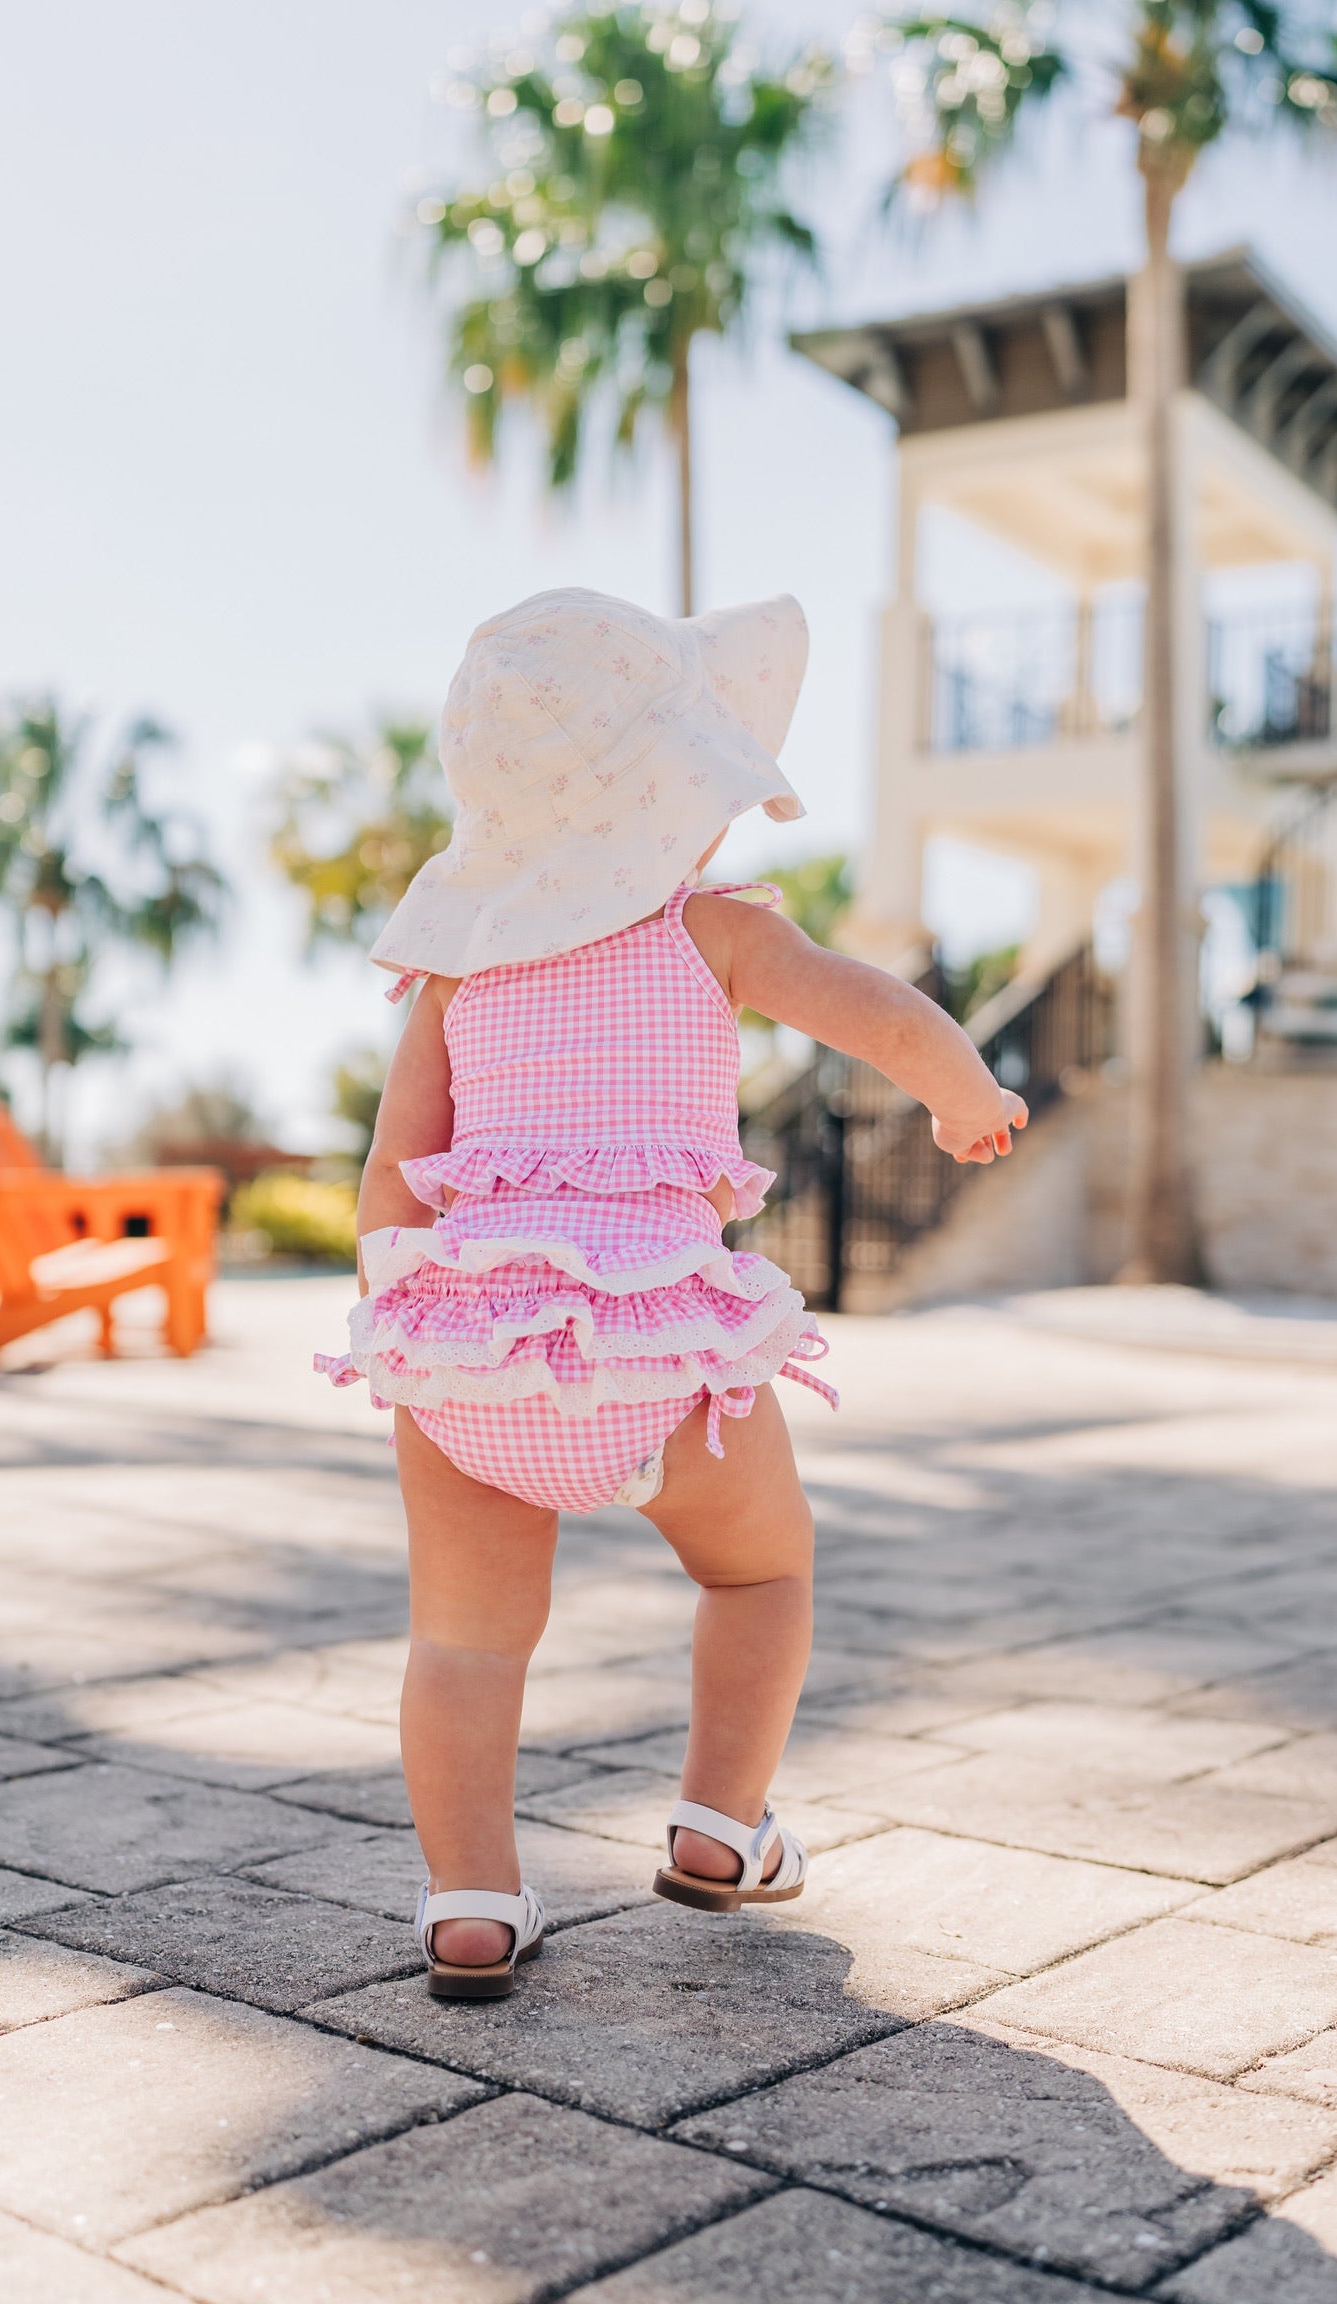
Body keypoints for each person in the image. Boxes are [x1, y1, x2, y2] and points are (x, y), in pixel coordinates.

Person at [318, 587, 1027, 1998]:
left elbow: (394, 1176)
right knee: (760, 1570)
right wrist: (964, 1092)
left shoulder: (460, 976)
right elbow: (871, 1007)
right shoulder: (715, 932)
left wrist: (407, 1325)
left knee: (464, 1639)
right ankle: (720, 1823)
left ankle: (469, 1898)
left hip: (475, 1353)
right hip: (658, 1354)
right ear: (677, 802)